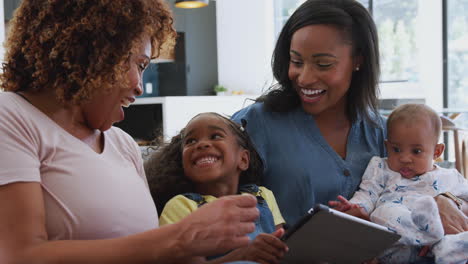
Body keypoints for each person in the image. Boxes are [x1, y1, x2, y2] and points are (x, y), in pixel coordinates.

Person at [0, 1, 261, 263]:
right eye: (140, 65)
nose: (139, 86)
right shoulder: (11, 116)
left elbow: (151, 252)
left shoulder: (122, 144)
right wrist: (180, 237)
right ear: (95, 53)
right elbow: (20, 255)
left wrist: (236, 256)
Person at [231, 0, 467, 236]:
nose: (304, 78)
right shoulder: (255, 124)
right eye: (296, 61)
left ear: (358, 60)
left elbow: (429, 184)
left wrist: (445, 199)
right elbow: (210, 201)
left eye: (323, 64)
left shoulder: (385, 134)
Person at [329, 104, 468, 264]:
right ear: (387, 146)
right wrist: (354, 207)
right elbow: (367, 194)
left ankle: (446, 245)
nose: (404, 158)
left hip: (432, 254)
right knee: (384, 212)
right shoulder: (381, 168)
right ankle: (430, 235)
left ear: (436, 152)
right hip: (395, 248)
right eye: (396, 149)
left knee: (454, 233)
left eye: (416, 151)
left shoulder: (449, 177)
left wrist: (453, 205)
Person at [145, 112, 288, 264]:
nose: (201, 144)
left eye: (215, 136)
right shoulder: (181, 206)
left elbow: (279, 248)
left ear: (243, 159)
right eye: (191, 141)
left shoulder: (262, 195)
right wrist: (241, 256)